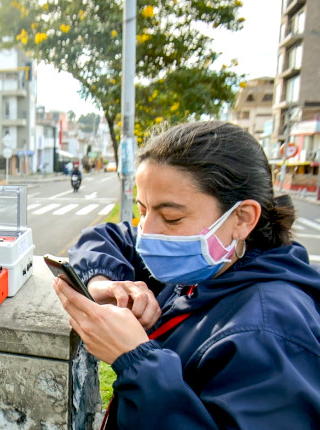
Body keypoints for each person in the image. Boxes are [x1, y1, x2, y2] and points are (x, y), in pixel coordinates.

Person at [53, 121, 320, 429]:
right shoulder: (215, 262)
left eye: (171, 217)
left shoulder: (269, 332)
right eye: (143, 210)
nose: (147, 233)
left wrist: (135, 360)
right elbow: (106, 237)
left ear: (242, 218)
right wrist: (102, 280)